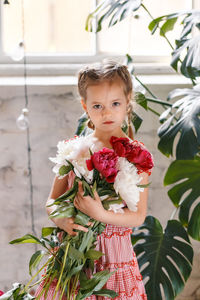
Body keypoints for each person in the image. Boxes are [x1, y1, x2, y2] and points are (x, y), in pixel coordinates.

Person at [35, 60, 152, 299]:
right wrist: (62, 220)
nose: (107, 113)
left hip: (115, 260)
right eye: (97, 106)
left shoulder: (137, 155)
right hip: (74, 258)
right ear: (85, 106)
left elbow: (138, 216)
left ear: (128, 101)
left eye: (115, 104)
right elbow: (52, 201)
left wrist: (100, 214)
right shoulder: (74, 151)